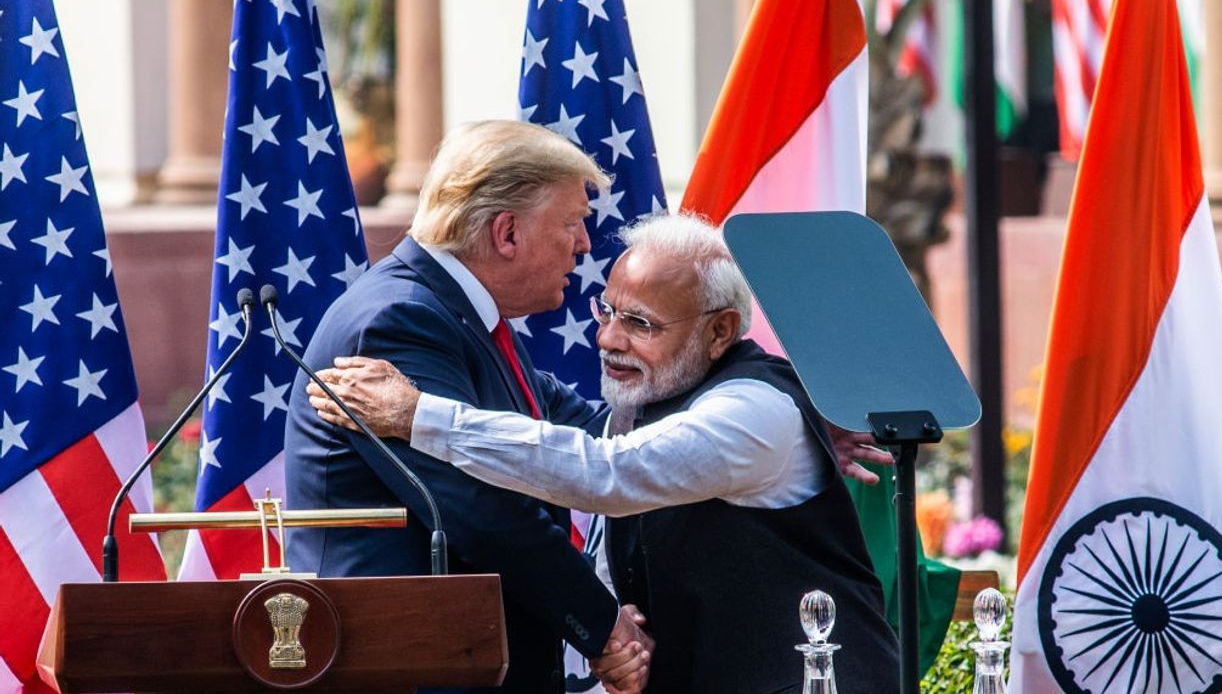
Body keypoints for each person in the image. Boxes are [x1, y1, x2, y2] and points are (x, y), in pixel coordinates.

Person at [308, 215, 903, 693]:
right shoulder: (652, 401)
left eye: (641, 324)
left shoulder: (756, 412)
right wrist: (613, 637)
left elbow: (607, 473)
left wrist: (417, 416)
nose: (608, 339)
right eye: (608, 311)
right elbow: (587, 466)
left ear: (720, 332)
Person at [283, 120, 652, 694]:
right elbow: (481, 509)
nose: (584, 245)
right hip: (407, 665)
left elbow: (594, 428)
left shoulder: (460, 315)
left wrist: (767, 416)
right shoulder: (397, 321)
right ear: (507, 232)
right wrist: (605, 629)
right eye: (573, 223)